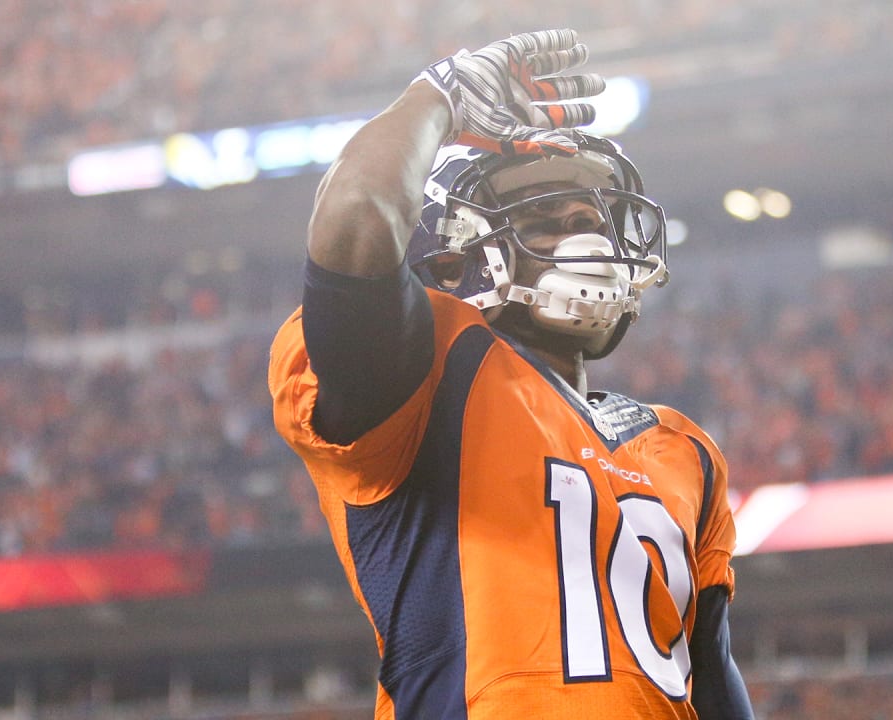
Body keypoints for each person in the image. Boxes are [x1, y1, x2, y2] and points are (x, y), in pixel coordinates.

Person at [269, 29, 754, 719]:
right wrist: (438, 97)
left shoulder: (685, 451)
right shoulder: (430, 370)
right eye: (548, 217)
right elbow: (353, 222)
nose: (584, 229)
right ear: (455, 256)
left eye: (592, 214)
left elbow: (712, 675)